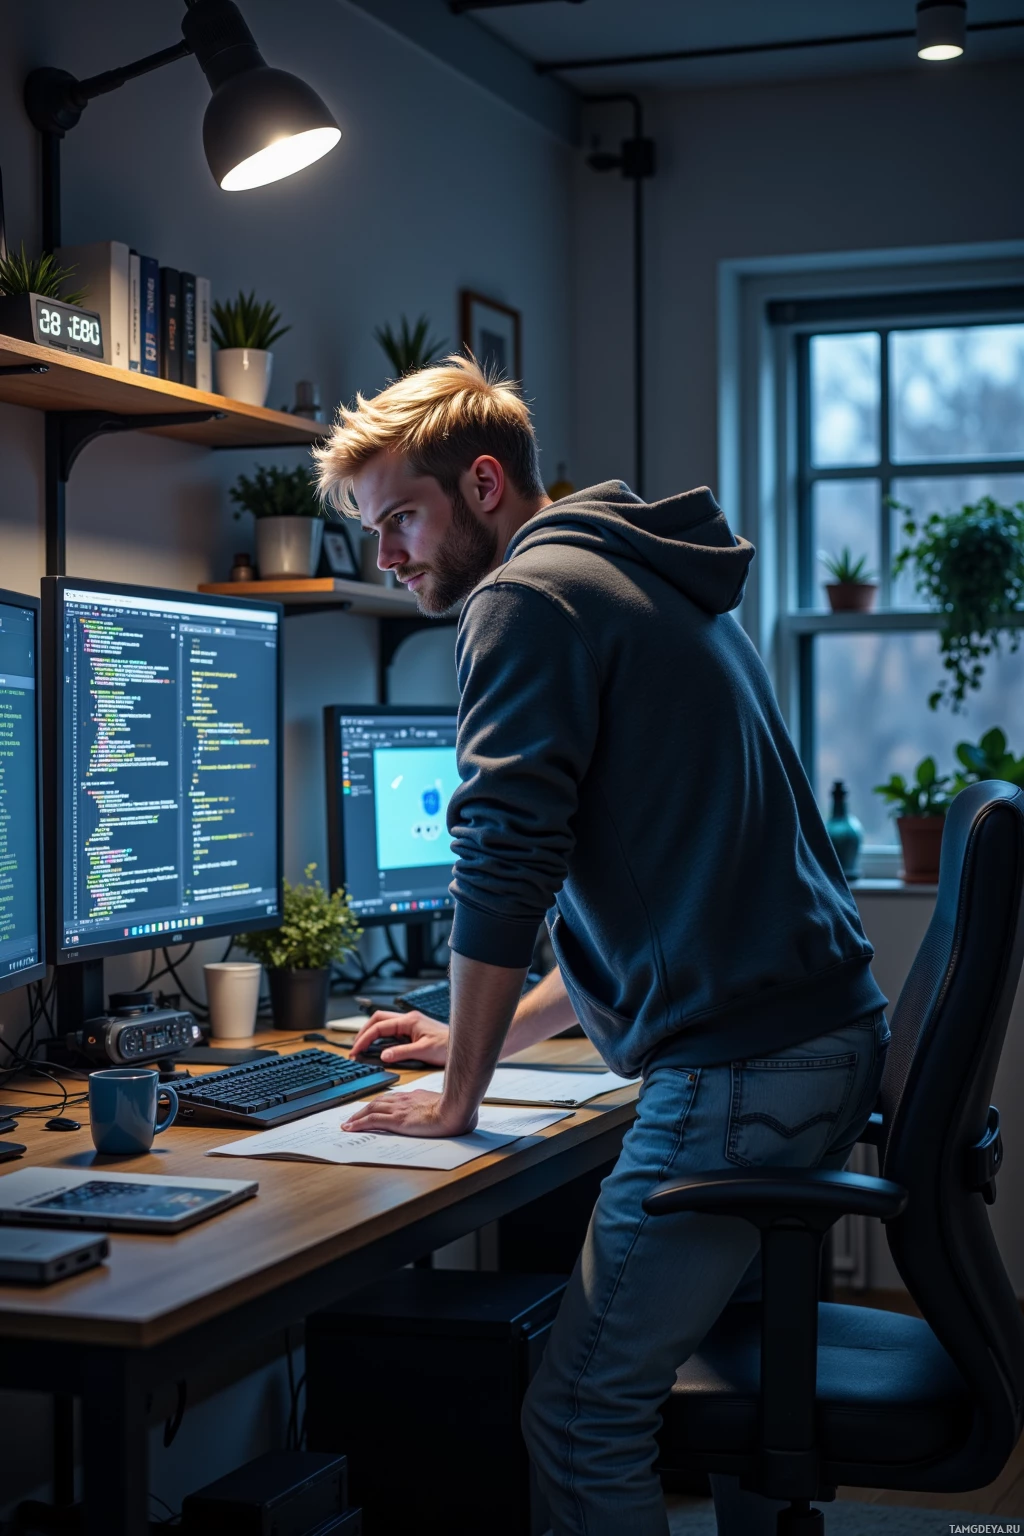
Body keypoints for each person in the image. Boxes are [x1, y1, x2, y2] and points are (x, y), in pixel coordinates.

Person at [314, 356, 888, 1536]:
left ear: (483, 484)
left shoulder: (526, 600)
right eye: (376, 533)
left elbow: (507, 859)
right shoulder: (631, 571)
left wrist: (459, 1092)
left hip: (743, 1069)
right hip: (812, 1042)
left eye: (402, 519)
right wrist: (481, 1029)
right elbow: (662, 894)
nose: (390, 557)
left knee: (576, 1418)